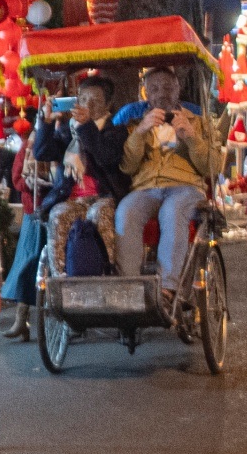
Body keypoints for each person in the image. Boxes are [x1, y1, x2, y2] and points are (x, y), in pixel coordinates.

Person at [114, 67, 220, 294]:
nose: (161, 93)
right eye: (154, 88)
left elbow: (212, 168)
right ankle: (129, 287)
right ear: (146, 93)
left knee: (172, 211)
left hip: (186, 187)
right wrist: (140, 132)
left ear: (178, 90)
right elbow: (127, 166)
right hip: (147, 187)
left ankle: (167, 288)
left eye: (168, 87)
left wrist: (191, 137)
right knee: (125, 211)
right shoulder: (135, 123)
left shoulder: (199, 122)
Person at [0, 102, 70, 339]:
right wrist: (29, 184)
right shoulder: (30, 145)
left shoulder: (69, 140)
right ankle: (21, 318)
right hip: (34, 212)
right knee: (28, 264)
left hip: (59, 210)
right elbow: (17, 176)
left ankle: (66, 319)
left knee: (59, 265)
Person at [44, 75, 128, 276]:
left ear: (108, 104)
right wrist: (46, 124)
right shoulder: (68, 130)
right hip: (73, 198)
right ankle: (61, 281)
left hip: (103, 197)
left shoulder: (116, 131)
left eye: (95, 101)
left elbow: (105, 157)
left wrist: (86, 127)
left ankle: (108, 273)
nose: (88, 105)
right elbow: (44, 152)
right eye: (83, 100)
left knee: (99, 214)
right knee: (58, 215)